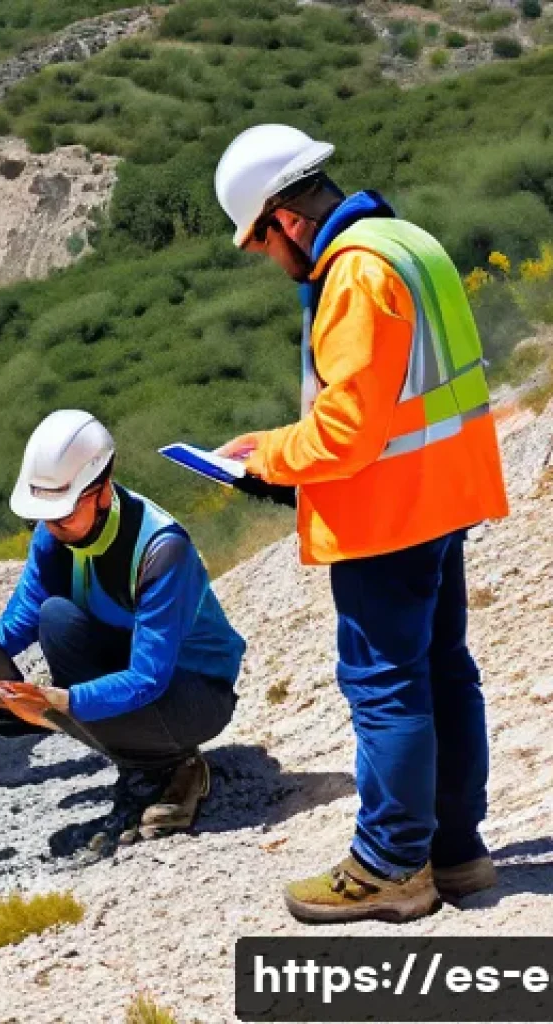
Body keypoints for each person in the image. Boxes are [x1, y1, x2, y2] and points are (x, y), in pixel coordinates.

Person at [214, 124, 509, 922]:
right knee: (445, 671)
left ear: (285, 220)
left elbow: (348, 433)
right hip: (442, 496)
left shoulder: (353, 273)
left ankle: (389, 864)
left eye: (258, 243)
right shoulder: (408, 241)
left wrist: (265, 456)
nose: (266, 261)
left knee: (386, 687)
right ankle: (456, 853)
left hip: (389, 514)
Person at [0, 409, 246, 846]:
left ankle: (176, 765)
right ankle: (146, 763)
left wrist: (62, 702)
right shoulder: (55, 534)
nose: (52, 528)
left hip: (197, 692)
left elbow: (148, 678)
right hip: (134, 668)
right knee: (55, 619)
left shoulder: (162, 550)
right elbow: (22, 620)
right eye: (42, 518)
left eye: (63, 515)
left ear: (101, 491)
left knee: (83, 704)